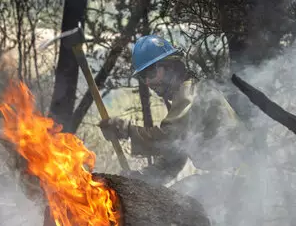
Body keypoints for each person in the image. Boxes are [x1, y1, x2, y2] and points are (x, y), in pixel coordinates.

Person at [98, 35, 251, 185]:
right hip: (229, 177)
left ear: (170, 66)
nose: (148, 82)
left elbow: (169, 138)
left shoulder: (192, 93)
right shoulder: (184, 97)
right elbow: (173, 158)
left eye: (151, 72)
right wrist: (141, 180)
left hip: (239, 177)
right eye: (143, 77)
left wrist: (127, 130)